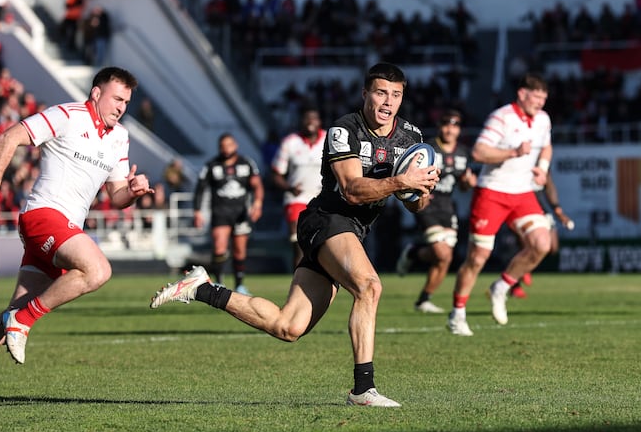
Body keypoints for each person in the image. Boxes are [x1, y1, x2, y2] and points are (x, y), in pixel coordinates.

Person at [150, 63, 439, 407]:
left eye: (395, 95)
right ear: (365, 94)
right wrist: (399, 182)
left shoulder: (412, 137)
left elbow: (417, 206)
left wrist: (420, 190)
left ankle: (203, 289)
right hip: (326, 220)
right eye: (380, 93)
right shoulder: (344, 130)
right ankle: (363, 388)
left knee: (288, 327)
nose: (387, 102)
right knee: (370, 286)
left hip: (352, 232)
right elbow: (351, 190)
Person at [0, 67, 154, 372]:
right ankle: (23, 321)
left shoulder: (120, 137)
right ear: (96, 93)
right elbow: (10, 137)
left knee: (14, 310)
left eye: (126, 102)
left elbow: (117, 195)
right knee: (97, 270)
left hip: (65, 228)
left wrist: (134, 191)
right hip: (44, 215)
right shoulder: (68, 115)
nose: (120, 107)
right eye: (116, 99)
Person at [447, 72, 553, 337]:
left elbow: (546, 147)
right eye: (536, 97)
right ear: (522, 94)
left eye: (543, 99)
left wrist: (542, 166)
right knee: (477, 257)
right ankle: (457, 314)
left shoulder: (542, 119)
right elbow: (479, 152)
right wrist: (513, 152)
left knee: (542, 243)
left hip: (522, 192)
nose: (540, 103)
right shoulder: (502, 117)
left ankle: (502, 287)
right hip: (492, 192)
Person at [396, 109, 477, 313]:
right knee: (443, 254)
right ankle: (423, 296)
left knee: (444, 257)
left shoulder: (462, 153)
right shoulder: (428, 149)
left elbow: (464, 186)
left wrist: (468, 182)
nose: (450, 129)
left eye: (455, 125)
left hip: (447, 206)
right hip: (428, 203)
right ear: (440, 126)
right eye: (446, 124)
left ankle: (422, 292)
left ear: (459, 129)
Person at [191, 133, 264, 295]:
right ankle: (218, 283)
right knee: (219, 246)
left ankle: (239, 285)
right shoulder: (212, 166)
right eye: (223, 146)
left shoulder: (246, 164)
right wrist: (197, 211)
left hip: (241, 213)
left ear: (236, 145)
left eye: (229, 145)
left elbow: (257, 185)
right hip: (220, 212)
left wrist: (257, 204)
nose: (226, 149)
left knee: (239, 249)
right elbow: (200, 189)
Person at [270, 105, 326, 269]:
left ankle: (319, 280)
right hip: (297, 197)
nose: (310, 122)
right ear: (301, 121)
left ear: (319, 121)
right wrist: (289, 187)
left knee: (320, 242)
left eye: (314, 118)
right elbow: (276, 173)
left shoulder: (329, 138)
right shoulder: (290, 142)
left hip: (321, 197)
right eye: (307, 118)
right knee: (298, 241)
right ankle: (299, 283)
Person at [507, 170, 574, 298]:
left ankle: (526, 267)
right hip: (521, 205)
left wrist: (557, 210)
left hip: (540, 205)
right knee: (525, 244)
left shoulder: (541, 159)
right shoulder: (518, 160)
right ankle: (515, 285)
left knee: (552, 247)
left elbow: (549, 185)